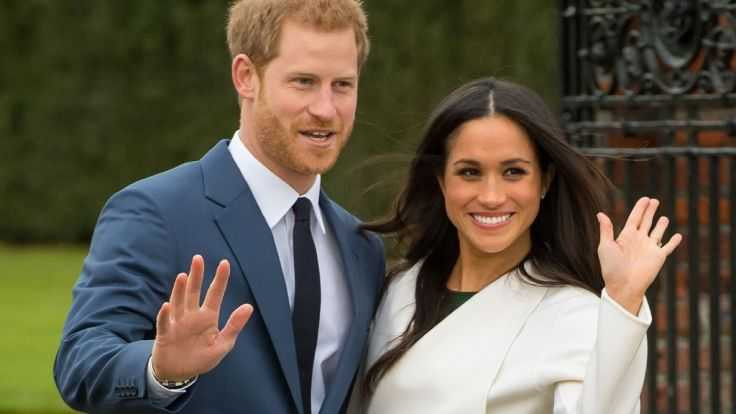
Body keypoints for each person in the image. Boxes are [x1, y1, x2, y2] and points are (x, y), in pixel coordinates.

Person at [53, 1, 385, 413]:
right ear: (246, 76)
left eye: (343, 85)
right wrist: (160, 370)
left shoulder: (362, 246)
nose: (325, 109)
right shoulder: (155, 212)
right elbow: (80, 362)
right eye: (303, 82)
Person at [349, 78, 682, 413]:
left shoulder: (572, 314)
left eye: (513, 172)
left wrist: (624, 300)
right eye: (469, 172)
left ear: (545, 180)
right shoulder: (398, 290)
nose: (492, 197)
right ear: (441, 180)